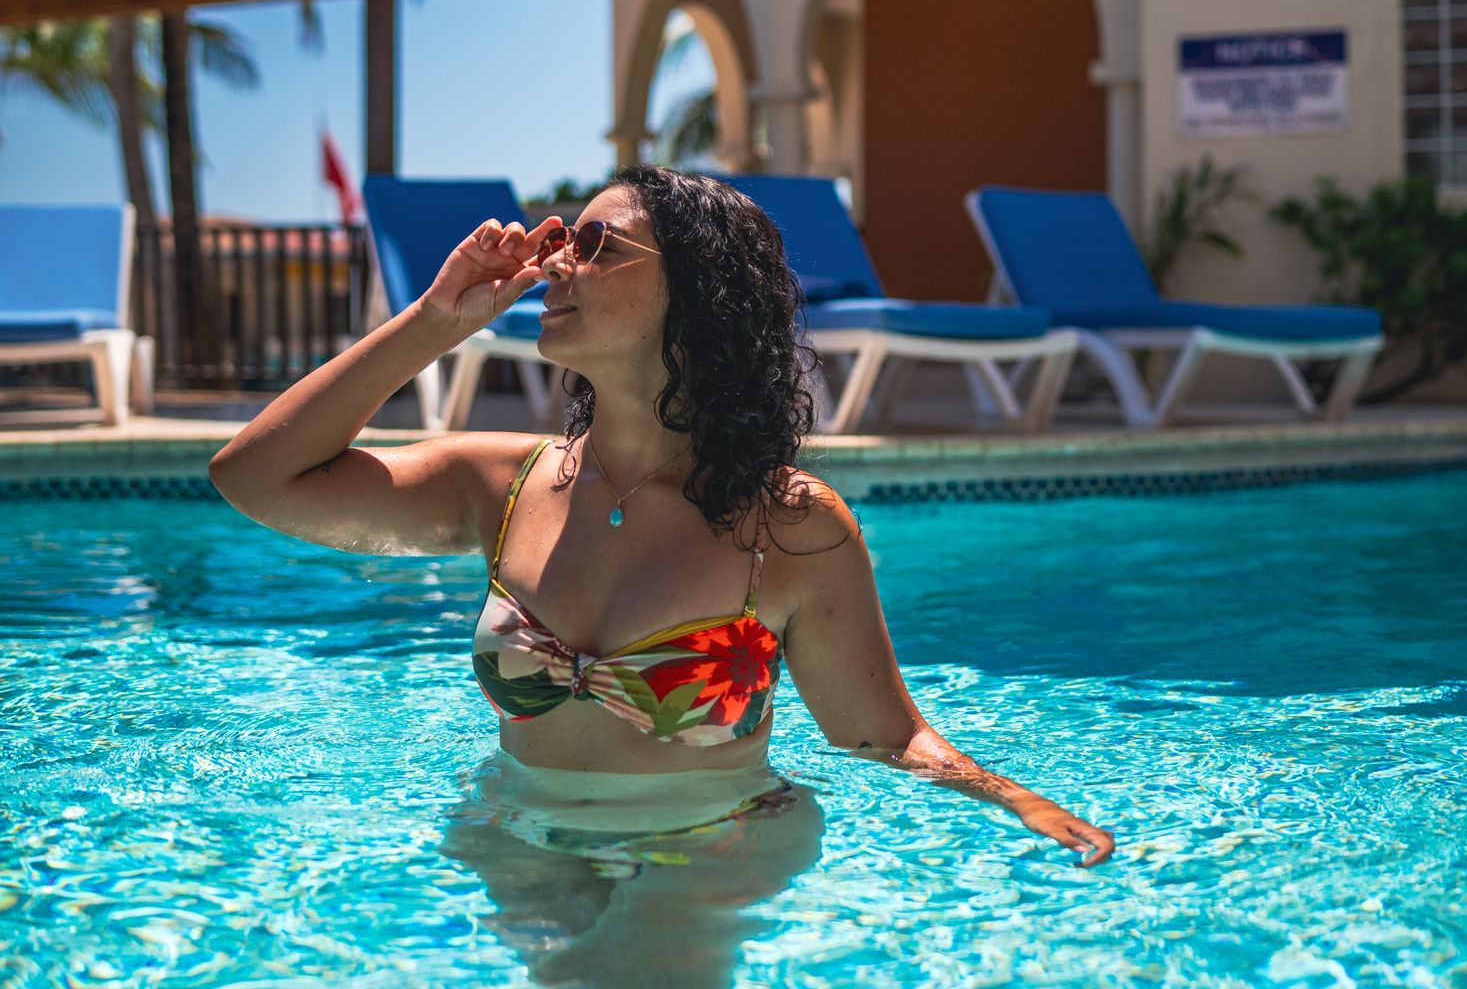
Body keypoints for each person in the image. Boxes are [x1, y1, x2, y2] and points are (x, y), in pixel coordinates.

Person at [208, 166, 1115, 956]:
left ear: (697, 295)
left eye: (597, 245)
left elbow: (881, 733)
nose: (556, 260)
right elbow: (256, 478)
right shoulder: (500, 484)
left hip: (714, 841)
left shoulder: (790, 526)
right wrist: (431, 323)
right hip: (519, 830)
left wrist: (1012, 799)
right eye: (566, 238)